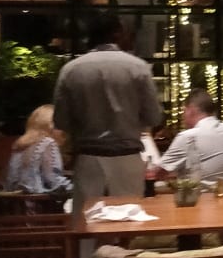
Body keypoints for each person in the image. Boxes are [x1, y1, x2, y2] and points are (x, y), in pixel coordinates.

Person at [52, 13, 162, 205]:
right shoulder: (138, 67)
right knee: (128, 217)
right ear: (117, 33)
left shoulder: (71, 70)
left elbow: (61, 121)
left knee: (89, 218)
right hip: (127, 157)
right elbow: (153, 117)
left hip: (88, 158)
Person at [150, 90, 223, 184]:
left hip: (201, 194)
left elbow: (156, 173)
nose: (182, 116)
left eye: (184, 110)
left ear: (191, 109)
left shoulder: (188, 137)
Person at [2, 104, 70, 195]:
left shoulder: (20, 144)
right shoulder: (48, 143)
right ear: (50, 126)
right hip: (36, 200)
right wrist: (75, 187)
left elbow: (10, 179)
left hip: (14, 199)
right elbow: (53, 180)